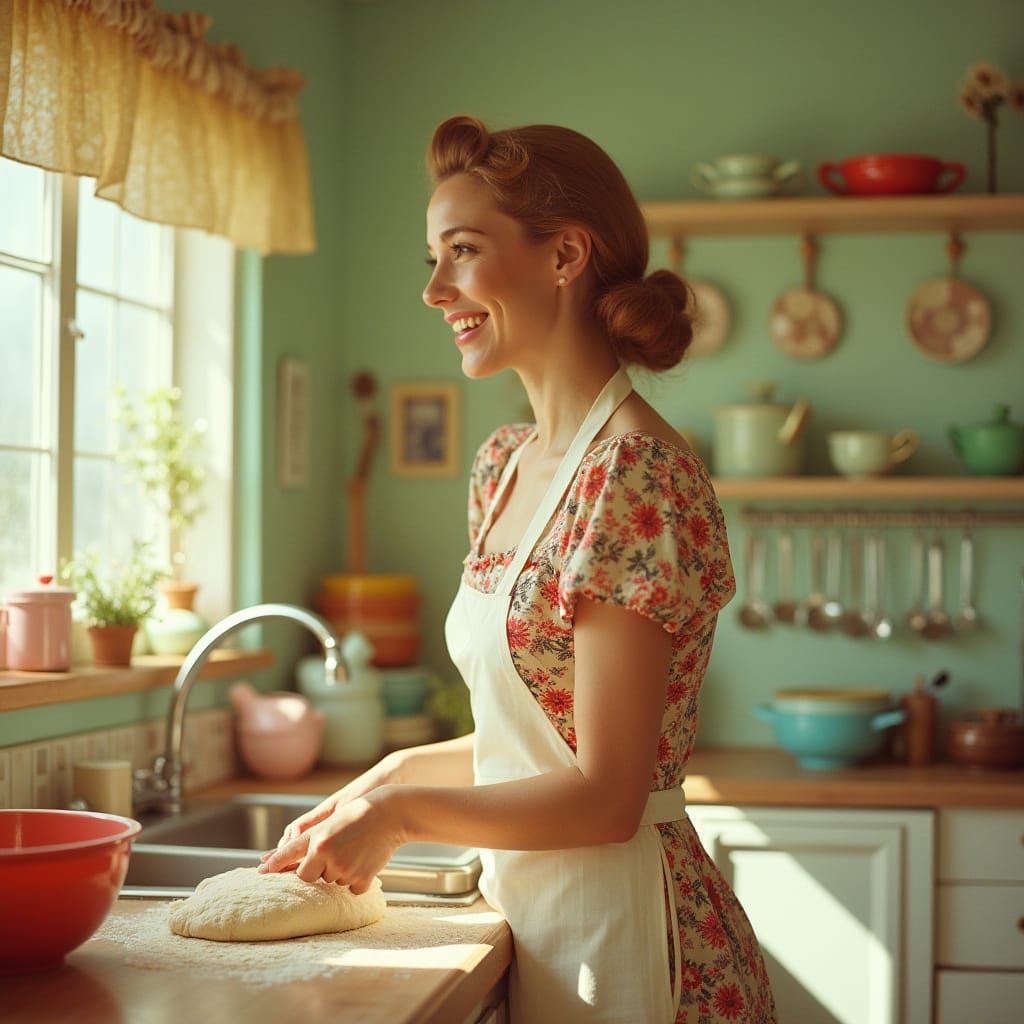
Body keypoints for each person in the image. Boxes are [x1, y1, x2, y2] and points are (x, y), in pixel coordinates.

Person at [260, 114, 777, 1024]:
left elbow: (608, 795)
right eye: (432, 255)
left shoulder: (637, 475)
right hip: (536, 921)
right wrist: (379, 783)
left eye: (462, 251)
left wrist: (403, 816)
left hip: (631, 937)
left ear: (565, 255)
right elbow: (529, 742)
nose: (434, 289)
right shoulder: (504, 464)